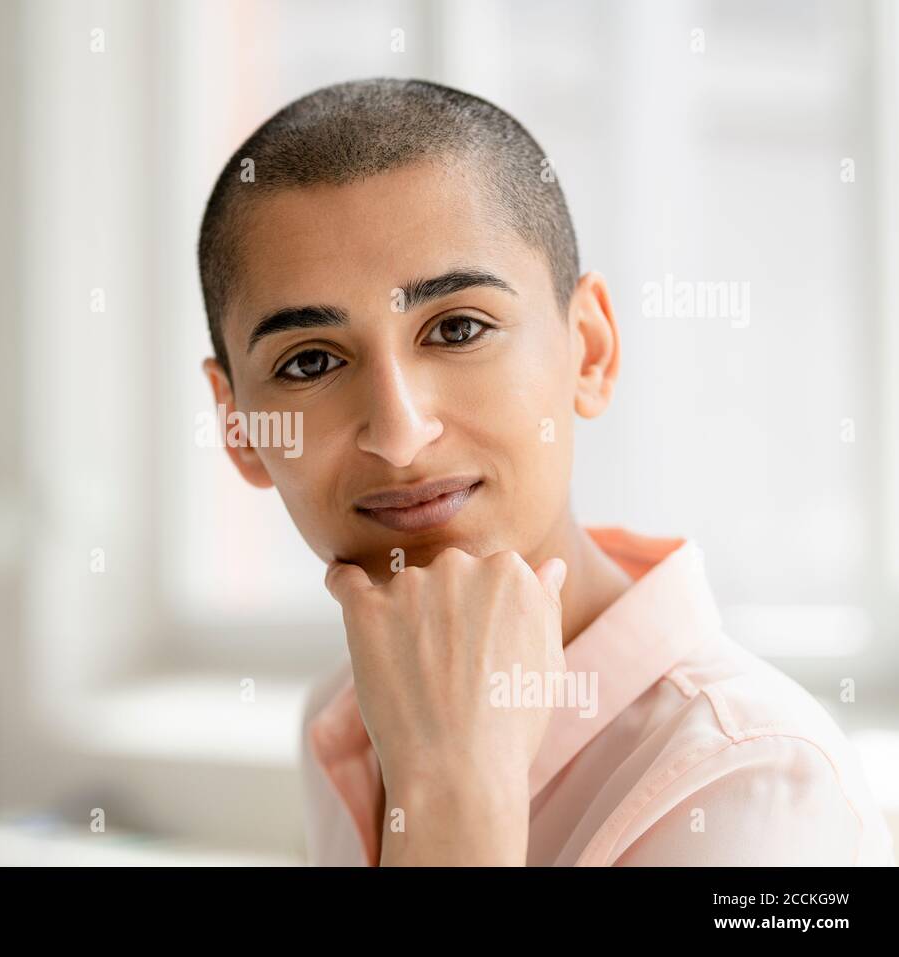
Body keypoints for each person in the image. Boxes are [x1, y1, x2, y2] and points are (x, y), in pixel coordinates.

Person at [195, 77, 896, 866]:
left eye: (458, 327)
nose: (397, 433)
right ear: (239, 427)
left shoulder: (757, 790)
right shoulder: (346, 711)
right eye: (311, 360)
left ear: (589, 350)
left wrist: (453, 791)